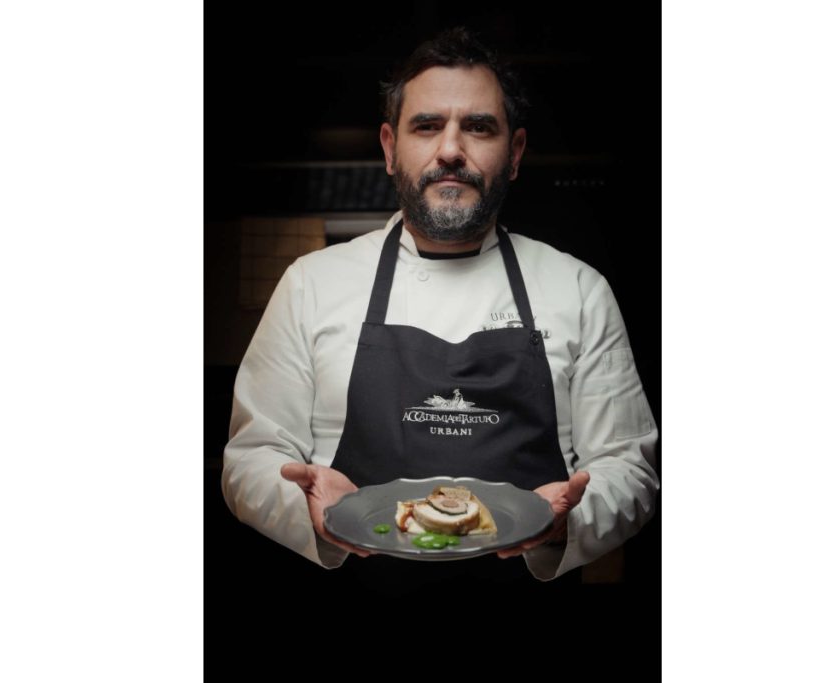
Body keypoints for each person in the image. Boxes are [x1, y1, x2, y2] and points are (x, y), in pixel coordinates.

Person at [222, 27, 658, 591]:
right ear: (389, 147)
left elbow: (628, 468)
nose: (451, 149)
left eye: (478, 127)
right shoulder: (312, 284)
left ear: (515, 153)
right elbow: (252, 458)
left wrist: (563, 522)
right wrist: (311, 511)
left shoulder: (578, 289)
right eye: (427, 125)